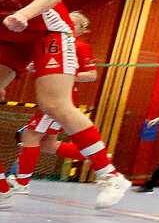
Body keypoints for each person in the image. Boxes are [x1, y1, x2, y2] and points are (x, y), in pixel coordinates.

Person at [0, 0, 130, 209]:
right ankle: (4, 188)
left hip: (45, 27)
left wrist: (25, 14)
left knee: (53, 102)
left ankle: (110, 175)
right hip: (7, 34)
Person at [8, 11, 98, 195]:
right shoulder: (53, 43)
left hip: (59, 98)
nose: (70, 25)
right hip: (48, 96)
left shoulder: (79, 47)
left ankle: (22, 182)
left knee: (31, 135)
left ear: (81, 30)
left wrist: (65, 74)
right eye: (67, 21)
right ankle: (96, 156)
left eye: (75, 24)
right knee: (48, 144)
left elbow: (91, 75)